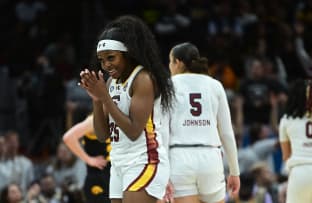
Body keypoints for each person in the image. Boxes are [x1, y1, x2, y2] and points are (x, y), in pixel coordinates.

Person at [78, 15, 174, 203]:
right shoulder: (111, 81)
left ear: (127, 53)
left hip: (144, 160)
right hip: (119, 162)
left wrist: (105, 96)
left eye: (111, 58)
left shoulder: (143, 79)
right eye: (102, 60)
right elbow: (101, 135)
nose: (106, 65)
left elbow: (133, 131)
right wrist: (97, 101)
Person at [167, 42, 240, 203]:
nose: (169, 67)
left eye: (170, 62)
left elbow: (161, 132)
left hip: (179, 158)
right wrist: (234, 171)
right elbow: (227, 133)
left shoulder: (168, 85)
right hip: (210, 157)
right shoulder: (215, 85)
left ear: (178, 63)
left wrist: (161, 173)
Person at [62, 114, 111, 203]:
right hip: (97, 179)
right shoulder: (93, 120)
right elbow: (68, 137)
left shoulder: (118, 119)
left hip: (112, 179)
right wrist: (89, 160)